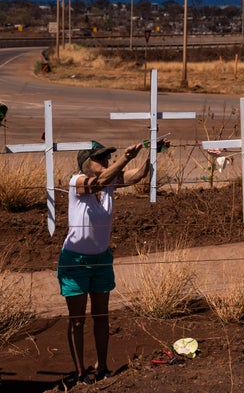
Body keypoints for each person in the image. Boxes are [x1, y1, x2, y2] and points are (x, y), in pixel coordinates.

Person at [57, 138, 170, 385]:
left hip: (101, 259)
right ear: (86, 163)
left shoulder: (108, 184)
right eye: (101, 158)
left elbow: (137, 176)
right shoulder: (77, 182)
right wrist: (125, 158)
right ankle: (80, 374)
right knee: (77, 320)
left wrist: (153, 152)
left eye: (108, 157)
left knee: (101, 315)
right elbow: (99, 182)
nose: (107, 160)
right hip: (75, 260)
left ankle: (102, 367)